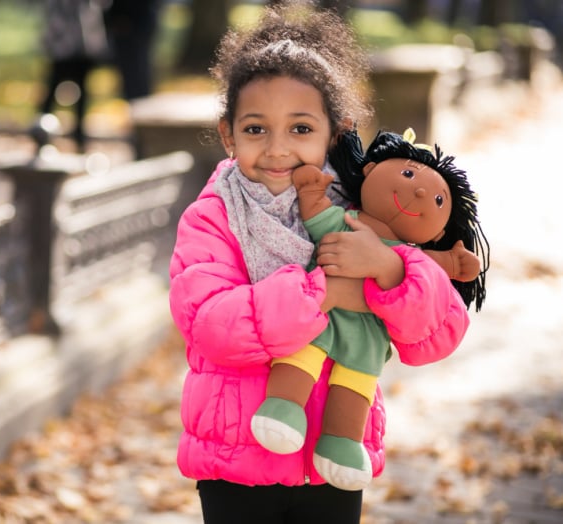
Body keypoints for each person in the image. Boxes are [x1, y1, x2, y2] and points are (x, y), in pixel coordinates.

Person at [167, 3, 471, 523]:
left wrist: (390, 270)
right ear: (228, 134)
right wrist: (329, 290)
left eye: (301, 129)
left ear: (336, 132)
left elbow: (436, 333)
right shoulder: (212, 217)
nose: (278, 149)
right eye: (257, 129)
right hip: (237, 457)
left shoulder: (362, 210)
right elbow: (214, 323)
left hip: (333, 460)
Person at [251, 128, 489, 491]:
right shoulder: (349, 221)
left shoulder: (410, 258)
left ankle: (342, 444)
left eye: (439, 199)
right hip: (322, 315)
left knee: (356, 382)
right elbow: (319, 217)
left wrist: (453, 264)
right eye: (408, 174)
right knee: (302, 354)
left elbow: (424, 271)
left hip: (368, 338)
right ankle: (282, 408)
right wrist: (311, 192)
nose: (422, 192)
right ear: (372, 168)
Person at [37, 0, 110, 148]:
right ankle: (40, 131)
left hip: (82, 44)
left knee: (81, 93)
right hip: (63, 43)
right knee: (52, 91)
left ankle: (79, 135)